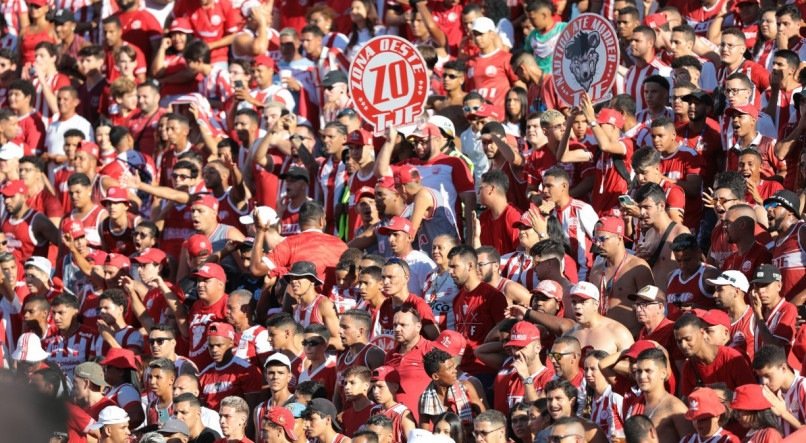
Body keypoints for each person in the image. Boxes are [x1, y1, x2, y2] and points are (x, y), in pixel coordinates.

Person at [587, 216, 655, 334]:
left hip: (630, 337)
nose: (598, 244)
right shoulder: (596, 270)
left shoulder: (637, 267)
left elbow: (652, 308)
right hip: (601, 336)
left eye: (603, 239)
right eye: (595, 239)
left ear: (619, 238)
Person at [448, 245, 507, 378]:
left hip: (484, 369)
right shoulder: (457, 298)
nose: (450, 272)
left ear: (469, 265)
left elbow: (504, 335)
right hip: (462, 370)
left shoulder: (492, 296)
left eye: (454, 267)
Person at [674, 313, 756, 397]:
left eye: (688, 339)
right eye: (679, 341)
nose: (683, 345)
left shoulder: (731, 358)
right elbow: (689, 402)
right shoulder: (688, 367)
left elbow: (751, 395)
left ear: (702, 333)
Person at [622, 348, 693, 441]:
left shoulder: (675, 408)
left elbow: (692, 440)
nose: (642, 376)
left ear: (663, 373)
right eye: (639, 371)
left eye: (648, 371)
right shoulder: (635, 403)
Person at [632, 183, 690, 291]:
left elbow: (690, 271)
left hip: (672, 300)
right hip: (652, 301)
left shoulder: (680, 232)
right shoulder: (648, 233)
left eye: (646, 207)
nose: (642, 212)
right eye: (640, 207)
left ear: (661, 206)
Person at [197, 322, 263, 411]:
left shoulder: (247, 371)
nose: (214, 350)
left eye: (219, 345)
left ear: (231, 343)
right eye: (211, 346)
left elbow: (252, 410)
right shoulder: (203, 375)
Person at [749, 264, 800, 371]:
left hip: (785, 376)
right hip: (765, 374)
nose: (761, 291)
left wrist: (758, 314)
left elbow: (775, 347)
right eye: (758, 286)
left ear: (779, 286)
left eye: (766, 285)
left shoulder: (788, 309)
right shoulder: (760, 310)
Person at [752, 344, 806, 436]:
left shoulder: (803, 387)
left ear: (783, 368)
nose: (764, 381)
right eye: (760, 377)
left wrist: (784, 413)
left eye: (767, 376)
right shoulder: (770, 392)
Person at [377, 216, 436, 297]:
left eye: (395, 234)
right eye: (389, 235)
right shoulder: (389, 262)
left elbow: (430, 294)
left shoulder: (421, 262)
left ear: (409, 237)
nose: (390, 239)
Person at [764, 190, 806, 304]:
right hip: (784, 313)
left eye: (774, 205)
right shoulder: (777, 242)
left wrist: (800, 299)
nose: (768, 209)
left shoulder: (802, 231)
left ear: (790, 211)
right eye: (767, 206)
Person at [707, 270, 756, 362]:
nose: (714, 295)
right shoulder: (719, 321)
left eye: (720, 289)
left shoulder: (753, 318)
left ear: (736, 291)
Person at [369, 365, 416, 443]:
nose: (375, 391)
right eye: (374, 387)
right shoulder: (374, 410)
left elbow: (413, 441)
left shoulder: (403, 413)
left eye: (380, 386)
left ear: (395, 387)